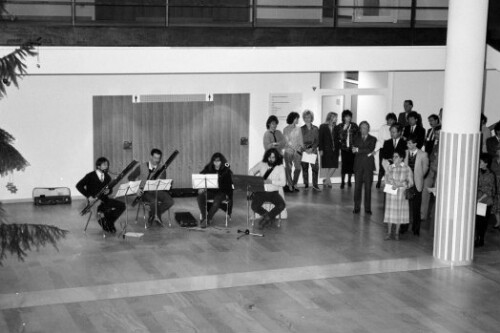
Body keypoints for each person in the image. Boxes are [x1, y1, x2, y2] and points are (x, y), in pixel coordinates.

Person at [76, 157, 126, 233]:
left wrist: (108, 191)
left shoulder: (107, 177)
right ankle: (105, 222)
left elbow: (110, 190)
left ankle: (108, 222)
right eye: (104, 165)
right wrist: (88, 196)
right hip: (94, 202)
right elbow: (79, 185)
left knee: (122, 206)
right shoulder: (90, 176)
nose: (107, 166)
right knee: (102, 209)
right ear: (98, 166)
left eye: (107, 165)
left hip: (104, 200)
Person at [127, 148, 174, 225]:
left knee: (170, 201)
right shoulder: (141, 166)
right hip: (144, 192)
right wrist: (137, 189)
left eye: (158, 158)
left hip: (157, 191)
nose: (157, 160)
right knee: (154, 201)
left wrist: (167, 185)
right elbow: (130, 177)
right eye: (155, 158)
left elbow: (162, 183)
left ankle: (153, 214)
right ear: (151, 157)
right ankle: (156, 215)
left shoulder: (162, 169)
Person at [248, 148, 286, 229]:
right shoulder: (262, 164)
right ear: (266, 157)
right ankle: (268, 217)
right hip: (261, 191)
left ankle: (267, 218)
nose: (271, 159)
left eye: (273, 157)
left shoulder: (280, 167)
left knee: (281, 205)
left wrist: (271, 182)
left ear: (276, 158)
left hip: (273, 192)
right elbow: (251, 171)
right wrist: (255, 180)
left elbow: (283, 183)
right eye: (269, 157)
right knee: (254, 206)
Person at [383, 151, 414, 241]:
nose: (394, 158)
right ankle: (389, 233)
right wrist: (392, 183)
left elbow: (411, 182)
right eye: (393, 156)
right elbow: (386, 179)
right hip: (391, 194)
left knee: (399, 214)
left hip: (401, 195)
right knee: (389, 214)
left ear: (401, 158)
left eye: (396, 156)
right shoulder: (389, 167)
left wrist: (400, 184)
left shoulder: (406, 168)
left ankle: (396, 233)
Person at [197, 152, 233, 228]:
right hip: (211, 191)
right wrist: (202, 187)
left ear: (222, 161)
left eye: (218, 161)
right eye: (214, 161)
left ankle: (208, 219)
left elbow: (229, 185)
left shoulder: (226, 170)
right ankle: (205, 217)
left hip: (222, 192)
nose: (216, 163)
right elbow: (201, 177)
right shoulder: (208, 168)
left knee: (217, 201)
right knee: (200, 197)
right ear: (212, 161)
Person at [402, 135, 429, 236]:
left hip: (417, 183)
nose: (407, 145)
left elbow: (425, 168)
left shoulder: (423, 154)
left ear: (415, 144)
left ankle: (416, 229)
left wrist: (419, 177)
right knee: (405, 206)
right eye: (407, 143)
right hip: (406, 183)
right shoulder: (405, 153)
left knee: (416, 207)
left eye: (409, 143)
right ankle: (404, 227)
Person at [352, 121, 377, 214]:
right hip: (358, 165)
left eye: (366, 127)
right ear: (359, 128)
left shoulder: (373, 139)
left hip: (368, 166)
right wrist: (359, 150)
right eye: (362, 127)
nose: (364, 129)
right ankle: (356, 207)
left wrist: (358, 149)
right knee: (357, 187)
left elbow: (370, 149)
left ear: (369, 129)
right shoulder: (356, 138)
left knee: (368, 188)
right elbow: (354, 150)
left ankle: (367, 208)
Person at [475, 153, 496, 247]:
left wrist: (478, 200)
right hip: (478, 200)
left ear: (486, 163)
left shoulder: (490, 174)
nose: (478, 163)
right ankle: (477, 238)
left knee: (482, 222)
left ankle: (480, 239)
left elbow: (488, 191)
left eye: (480, 161)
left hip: (485, 202)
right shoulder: (477, 171)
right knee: (477, 221)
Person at [421, 125, 441, 222]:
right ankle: (423, 214)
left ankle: (434, 215)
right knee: (425, 190)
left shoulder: (448, 144)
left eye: (438, 134)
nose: (436, 135)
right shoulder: (434, 143)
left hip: (439, 172)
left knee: (437, 193)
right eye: (435, 133)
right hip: (430, 170)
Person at [336, 110, 358, 189]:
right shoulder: (340, 126)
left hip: (352, 149)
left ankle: (349, 180)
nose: (348, 118)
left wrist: (356, 147)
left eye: (349, 116)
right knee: (344, 166)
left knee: (351, 166)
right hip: (344, 148)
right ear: (343, 117)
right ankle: (342, 181)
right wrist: (344, 129)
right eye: (346, 116)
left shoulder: (354, 125)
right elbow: (339, 137)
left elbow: (357, 136)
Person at [375, 113, 397, 189]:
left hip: (393, 149)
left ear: (394, 120)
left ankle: (389, 183)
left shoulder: (396, 128)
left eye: (391, 119)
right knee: (382, 166)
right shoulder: (383, 127)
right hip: (383, 148)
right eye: (388, 119)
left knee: (391, 166)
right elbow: (380, 138)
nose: (390, 121)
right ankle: (379, 181)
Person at [300, 110, 321, 191]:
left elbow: (317, 140)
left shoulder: (315, 128)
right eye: (305, 117)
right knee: (305, 169)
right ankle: (306, 184)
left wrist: (312, 148)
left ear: (311, 118)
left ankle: (315, 185)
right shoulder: (301, 129)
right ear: (304, 118)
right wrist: (305, 149)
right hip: (304, 151)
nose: (307, 119)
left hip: (313, 150)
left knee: (315, 169)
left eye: (309, 117)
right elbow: (300, 141)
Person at [283, 111, 303, 192]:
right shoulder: (286, 129)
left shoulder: (299, 129)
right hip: (288, 151)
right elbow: (287, 141)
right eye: (297, 118)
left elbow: (300, 140)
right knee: (288, 168)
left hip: (297, 152)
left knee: (298, 168)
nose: (298, 120)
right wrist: (294, 148)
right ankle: (290, 185)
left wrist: (301, 148)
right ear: (293, 119)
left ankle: (295, 184)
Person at [318, 112, 340, 188]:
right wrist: (320, 149)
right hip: (326, 149)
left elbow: (337, 139)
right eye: (335, 117)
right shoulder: (323, 126)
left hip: (335, 149)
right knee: (328, 165)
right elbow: (320, 139)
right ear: (330, 117)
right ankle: (328, 181)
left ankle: (326, 179)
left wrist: (339, 149)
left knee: (334, 165)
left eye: (336, 117)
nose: (336, 119)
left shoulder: (336, 127)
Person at [491, 147, 500, 229]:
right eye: (498, 150)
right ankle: (498, 222)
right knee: (495, 204)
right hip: (495, 182)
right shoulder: (493, 160)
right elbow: (491, 170)